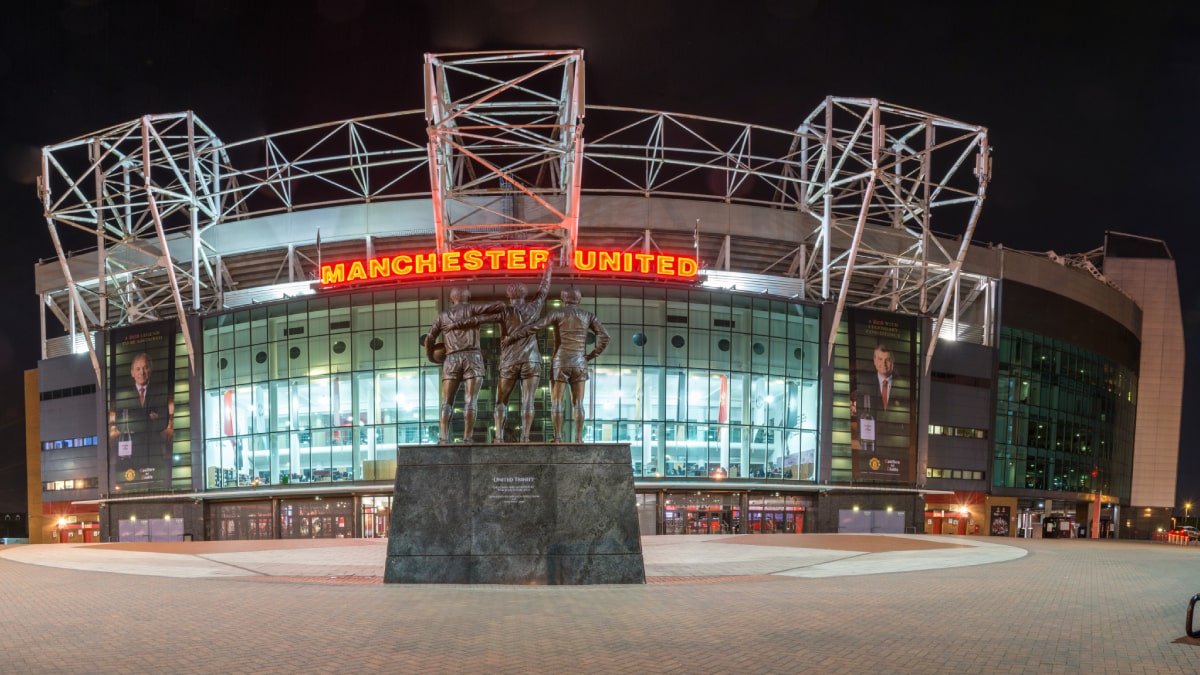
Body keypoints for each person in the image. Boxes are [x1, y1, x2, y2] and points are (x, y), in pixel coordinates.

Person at [503, 287, 610, 443]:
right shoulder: (588, 316)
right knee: (578, 403)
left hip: (560, 361)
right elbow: (605, 337)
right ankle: (578, 439)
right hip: (580, 362)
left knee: (557, 402)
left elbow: (535, 327)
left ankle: (558, 437)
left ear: (563, 299)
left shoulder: (557, 313)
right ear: (578, 300)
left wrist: (512, 337)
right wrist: (591, 355)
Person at [480, 264, 553, 443]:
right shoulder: (534, 307)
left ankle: (498, 436)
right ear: (525, 294)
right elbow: (544, 289)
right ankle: (525, 437)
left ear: (508, 295)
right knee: (528, 401)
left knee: (501, 401)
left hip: (510, 361)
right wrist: (548, 268)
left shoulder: (504, 311)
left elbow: (481, 318)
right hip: (531, 360)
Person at [425, 287, 505, 443]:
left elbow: (429, 338)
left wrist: (431, 357)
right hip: (472, 356)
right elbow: (500, 305)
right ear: (468, 297)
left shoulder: (443, 316)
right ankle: (467, 438)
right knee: (471, 400)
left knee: (447, 402)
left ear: (451, 299)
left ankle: (443, 438)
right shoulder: (472, 308)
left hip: (451, 359)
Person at [108, 352, 175, 466]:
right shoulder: (122, 396)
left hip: (154, 450)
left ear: (150, 370)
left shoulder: (161, 392)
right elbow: (119, 424)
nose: (142, 373)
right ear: (132, 373)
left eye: (145, 368)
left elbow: (163, 422)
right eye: (138, 369)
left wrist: (134, 418)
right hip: (130, 454)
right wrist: (149, 417)